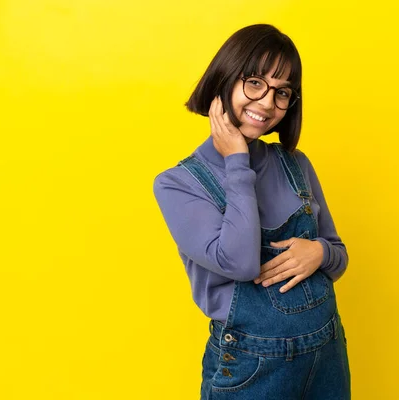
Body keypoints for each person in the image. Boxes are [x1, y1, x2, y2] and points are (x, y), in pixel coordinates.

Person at [153, 24, 350, 399]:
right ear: (224, 79)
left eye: (282, 92)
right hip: (251, 368)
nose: (266, 104)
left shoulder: (296, 164)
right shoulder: (177, 184)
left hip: (326, 358)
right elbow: (240, 264)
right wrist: (237, 162)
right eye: (255, 82)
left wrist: (320, 253)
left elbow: (340, 258)